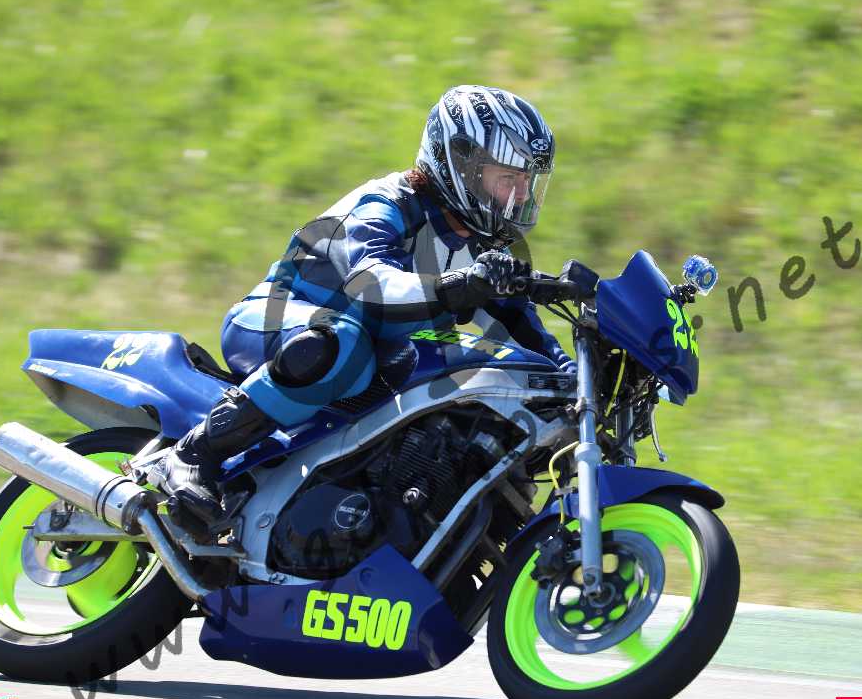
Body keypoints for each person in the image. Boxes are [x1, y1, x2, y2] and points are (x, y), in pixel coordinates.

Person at [157, 85, 572, 529]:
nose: (520, 196)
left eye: (527, 182)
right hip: (275, 321)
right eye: (508, 178)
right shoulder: (387, 203)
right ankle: (192, 455)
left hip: (370, 358)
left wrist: (574, 378)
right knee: (345, 344)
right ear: (462, 164)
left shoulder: (483, 245)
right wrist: (457, 286)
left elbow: (526, 333)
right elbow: (371, 283)